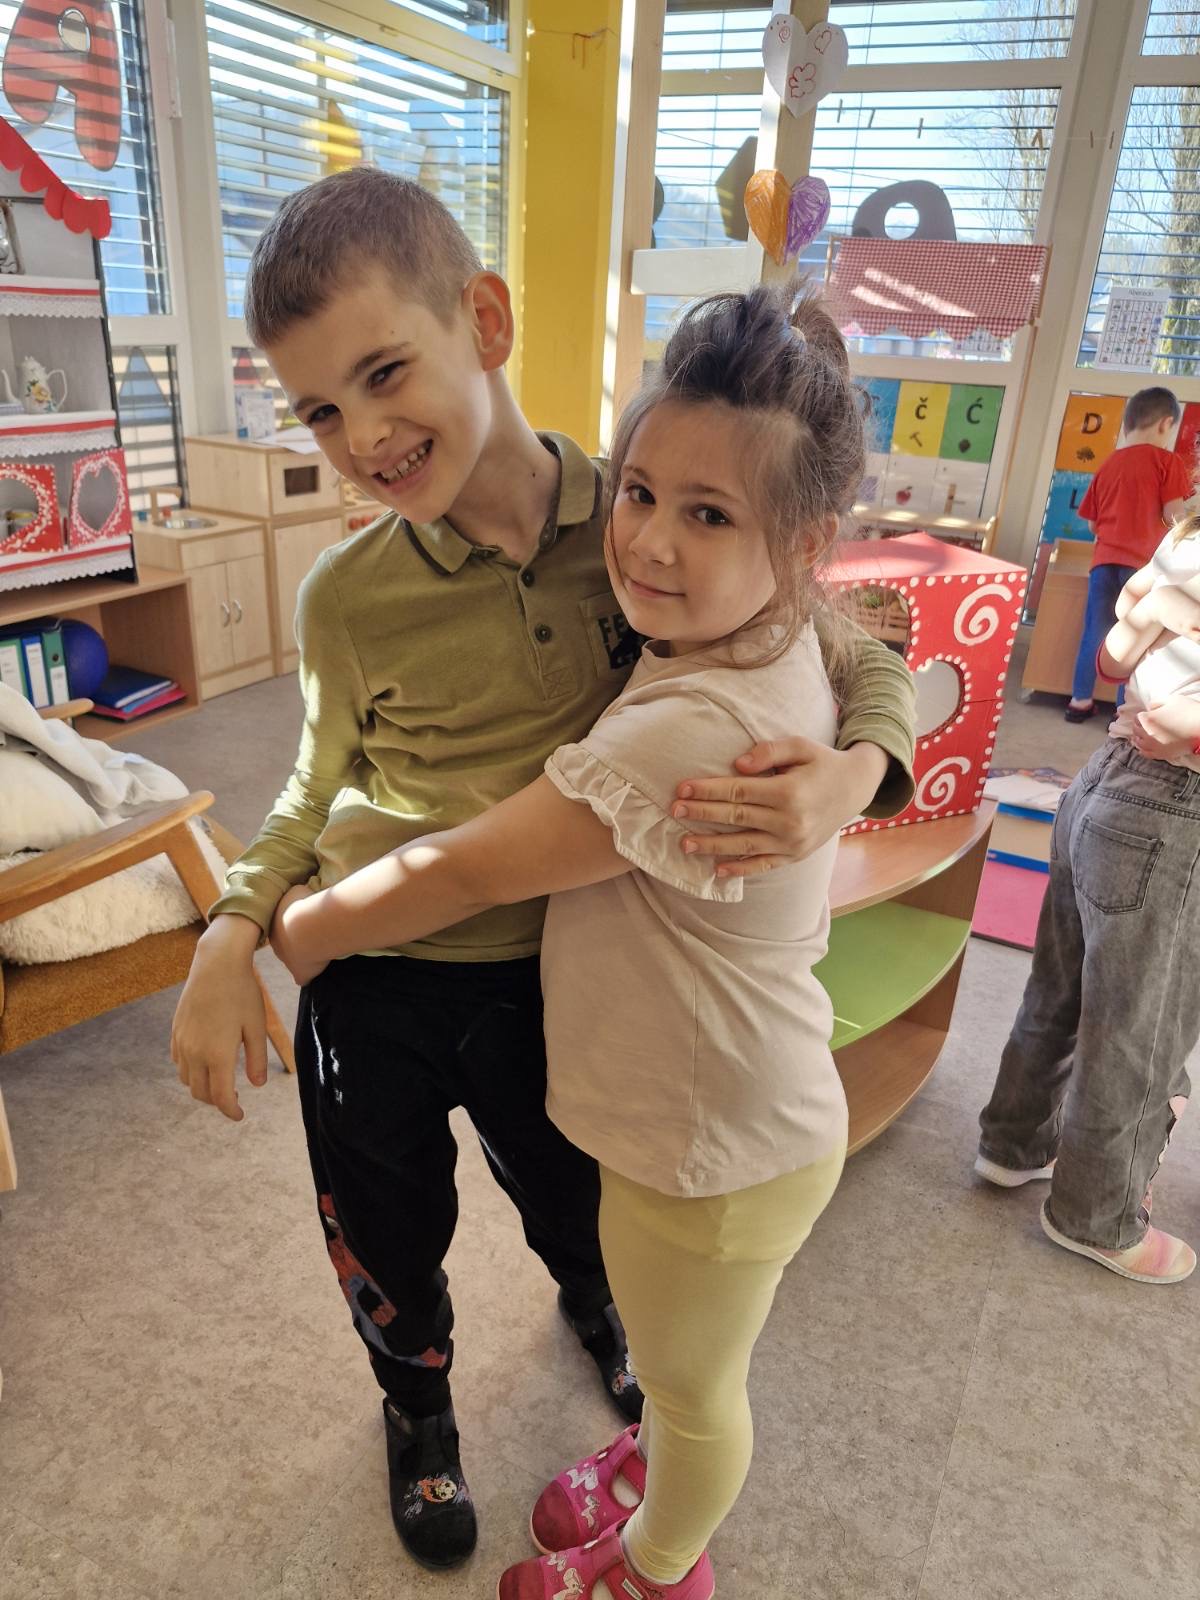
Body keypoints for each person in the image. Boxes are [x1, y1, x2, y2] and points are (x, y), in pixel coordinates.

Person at [169, 168, 917, 1575]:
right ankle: (418, 1410)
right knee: (384, 1231)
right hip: (375, 977)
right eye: (320, 411)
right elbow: (310, 788)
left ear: (488, 321)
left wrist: (856, 771)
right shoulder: (347, 596)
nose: (363, 438)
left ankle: (614, 1324)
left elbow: (850, 637)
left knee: (589, 1209)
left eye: (385, 373)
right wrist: (232, 929)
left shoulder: (640, 518)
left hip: (547, 975)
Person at [977, 514, 1200, 1285]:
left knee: (1061, 989)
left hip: (1104, 781)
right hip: (1176, 811)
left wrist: (1152, 616)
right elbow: (1175, 724)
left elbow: (1111, 658)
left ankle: (1013, 1144)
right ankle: (1095, 1216)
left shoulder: (1184, 536)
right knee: (1140, 1030)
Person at [1065, 386, 1192, 723]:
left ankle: (1079, 701)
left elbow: (1092, 524)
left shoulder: (1108, 464)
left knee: (1095, 631)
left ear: (1126, 423)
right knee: (1136, 637)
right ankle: (1123, 711)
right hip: (1143, 569)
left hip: (1103, 563)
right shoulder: (1167, 461)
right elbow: (1174, 518)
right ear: (1166, 424)